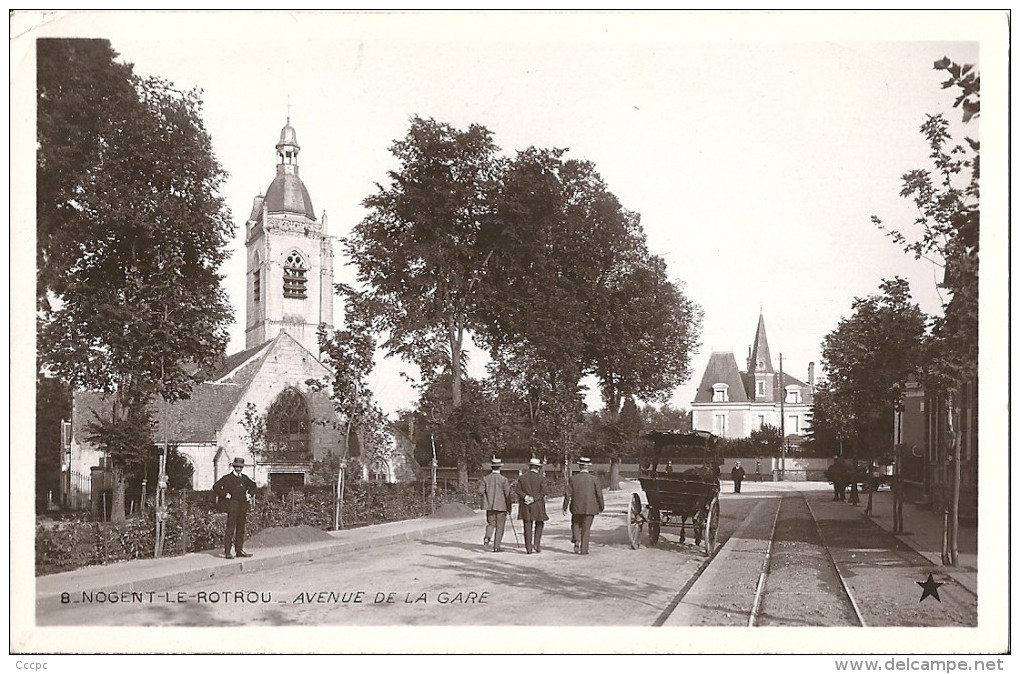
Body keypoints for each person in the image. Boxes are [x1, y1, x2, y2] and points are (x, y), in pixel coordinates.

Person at [212, 457, 259, 559]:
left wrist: (249, 494)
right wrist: (225, 494)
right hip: (232, 505)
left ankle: (239, 551)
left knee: (241, 529)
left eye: (240, 467)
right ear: (234, 466)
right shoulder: (227, 478)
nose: (238, 469)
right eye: (237, 467)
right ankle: (228, 552)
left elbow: (254, 486)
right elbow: (216, 486)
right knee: (230, 529)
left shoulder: (244, 478)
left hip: (243, 506)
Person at [562, 456, 604, 555]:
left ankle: (576, 539)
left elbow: (568, 494)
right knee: (586, 528)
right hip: (590, 507)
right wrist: (601, 506)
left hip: (576, 507)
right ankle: (584, 550)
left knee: (575, 524)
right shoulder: (594, 479)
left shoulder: (573, 479)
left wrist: (564, 507)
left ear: (579, 466)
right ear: (588, 467)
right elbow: (599, 494)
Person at [513, 457, 549, 554]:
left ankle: (528, 548)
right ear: (538, 468)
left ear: (529, 467)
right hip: (537, 504)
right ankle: (536, 543)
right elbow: (544, 491)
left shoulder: (522, 478)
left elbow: (517, 490)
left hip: (525, 504)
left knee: (527, 525)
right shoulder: (542, 478)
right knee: (540, 523)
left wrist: (525, 497)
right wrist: (534, 498)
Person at [478, 457, 512, 552]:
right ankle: (497, 546)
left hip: (489, 506)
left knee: (491, 524)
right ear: (499, 467)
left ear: (492, 467)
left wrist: (486, 498)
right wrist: (509, 507)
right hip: (501, 507)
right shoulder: (503, 479)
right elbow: (507, 494)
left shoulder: (485, 479)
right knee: (500, 526)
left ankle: (486, 539)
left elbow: (480, 491)